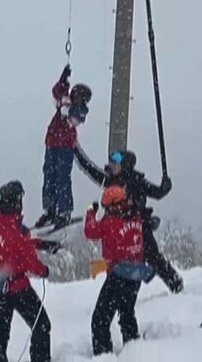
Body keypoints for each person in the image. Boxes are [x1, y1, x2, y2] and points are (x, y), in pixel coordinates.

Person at [74, 146, 183, 293]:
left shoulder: (137, 181)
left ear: (125, 164)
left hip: (139, 229)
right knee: (122, 264)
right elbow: (90, 169)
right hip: (121, 231)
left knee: (152, 258)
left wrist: (165, 187)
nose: (111, 164)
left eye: (115, 162)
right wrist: (76, 152)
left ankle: (176, 285)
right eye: (111, 161)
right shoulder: (110, 179)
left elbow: (157, 193)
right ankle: (123, 295)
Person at [0, 180, 61, 362]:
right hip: (16, 287)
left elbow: (17, 244)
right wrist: (44, 270)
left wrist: (40, 243)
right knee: (41, 324)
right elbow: (29, 260)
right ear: (15, 204)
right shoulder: (16, 231)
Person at [83, 185, 145, 356]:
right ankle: (134, 351)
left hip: (119, 276)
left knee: (100, 319)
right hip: (136, 275)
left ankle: (104, 355)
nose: (106, 211)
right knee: (127, 313)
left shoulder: (109, 223)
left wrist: (91, 212)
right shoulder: (136, 217)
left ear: (115, 205)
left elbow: (90, 231)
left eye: (107, 207)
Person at [34, 65, 92, 229]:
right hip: (52, 142)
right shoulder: (66, 102)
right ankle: (50, 210)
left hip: (64, 145)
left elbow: (72, 116)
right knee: (49, 175)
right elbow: (56, 92)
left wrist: (66, 104)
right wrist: (63, 79)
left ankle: (64, 211)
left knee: (62, 177)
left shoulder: (80, 110)